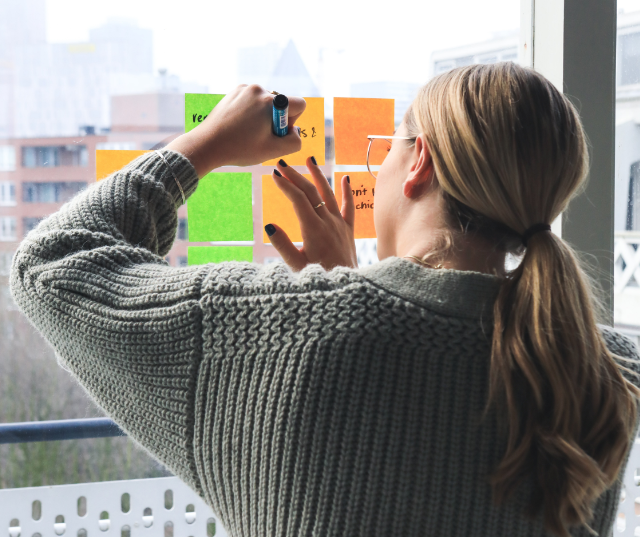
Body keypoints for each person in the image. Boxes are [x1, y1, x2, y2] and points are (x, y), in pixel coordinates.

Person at [9, 62, 640, 537]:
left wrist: (209, 144)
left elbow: (52, 264)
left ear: (418, 162)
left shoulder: (280, 334)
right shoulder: (601, 372)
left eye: (390, 145)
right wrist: (349, 283)